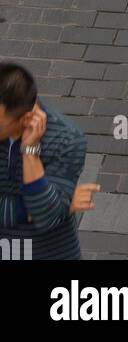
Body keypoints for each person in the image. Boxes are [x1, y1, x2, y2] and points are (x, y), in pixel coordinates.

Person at [0, 63, 96, 259]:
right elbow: (51, 210)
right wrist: (30, 208)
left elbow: (47, 216)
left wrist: (30, 151)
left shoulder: (67, 139)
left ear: (26, 120)